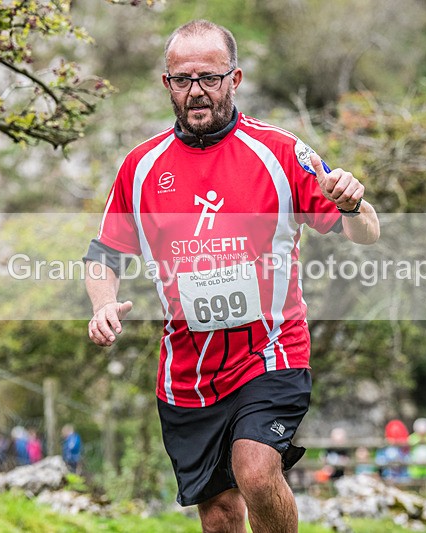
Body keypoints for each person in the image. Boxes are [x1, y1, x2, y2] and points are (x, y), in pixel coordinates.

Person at [83, 19, 379, 533]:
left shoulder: (280, 153)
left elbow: (366, 232)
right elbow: (103, 254)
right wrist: (102, 303)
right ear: (166, 84)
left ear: (235, 79)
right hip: (188, 370)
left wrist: (354, 205)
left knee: (257, 472)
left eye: (210, 78)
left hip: (271, 350)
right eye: (182, 80)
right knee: (220, 513)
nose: (196, 92)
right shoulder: (141, 167)